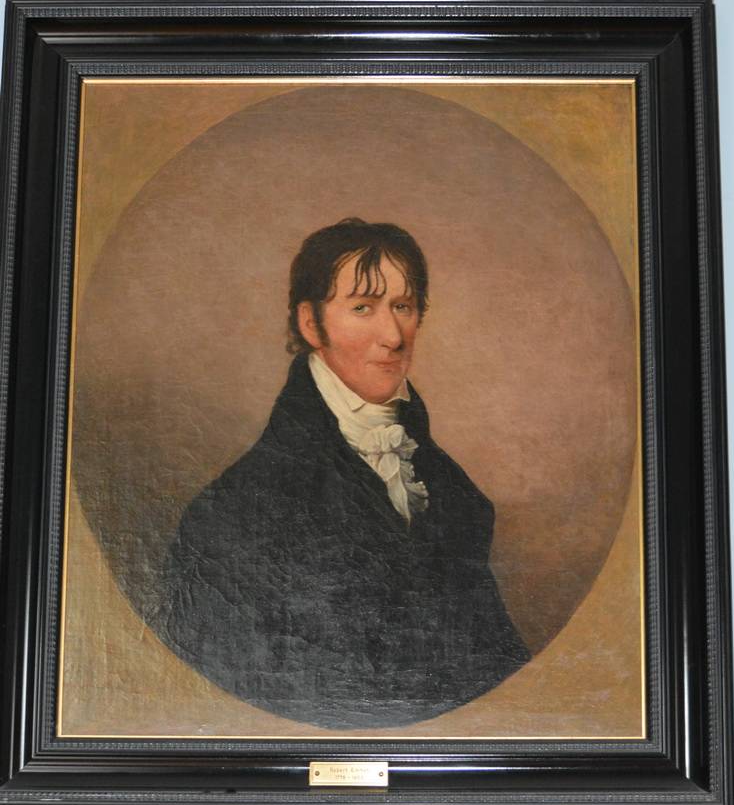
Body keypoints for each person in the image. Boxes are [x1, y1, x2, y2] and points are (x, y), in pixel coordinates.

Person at [160, 219, 530, 728]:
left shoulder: (452, 491)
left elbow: (496, 674)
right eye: (363, 307)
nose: (393, 336)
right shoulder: (234, 511)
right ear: (311, 324)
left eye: (403, 307)